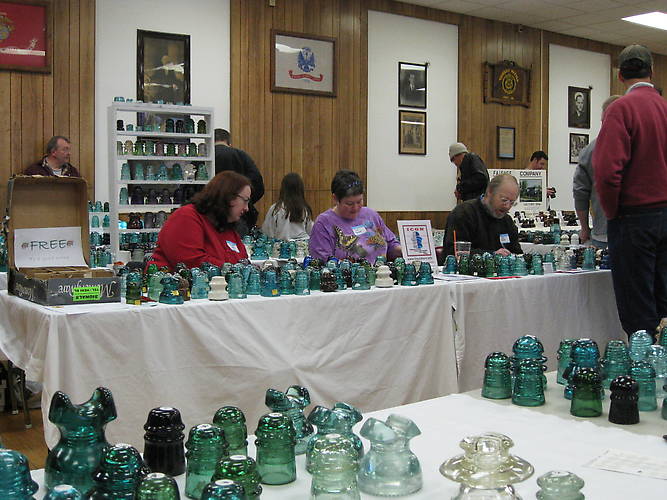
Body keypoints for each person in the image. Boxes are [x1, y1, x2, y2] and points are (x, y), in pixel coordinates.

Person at [593, 44, 667, 338]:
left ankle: (643, 361)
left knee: (637, 306)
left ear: (620, 75)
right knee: (663, 300)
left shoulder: (620, 109)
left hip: (634, 217)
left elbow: (607, 172)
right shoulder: (664, 108)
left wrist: (613, 213)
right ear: (652, 72)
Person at [149, 171, 250, 270]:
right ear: (229, 197)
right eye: (245, 201)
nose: (246, 208)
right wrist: (232, 270)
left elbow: (243, 261)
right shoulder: (187, 217)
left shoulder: (227, 227)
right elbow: (190, 261)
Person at [309, 170, 402, 263]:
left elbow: (391, 245)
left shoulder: (371, 215)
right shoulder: (324, 223)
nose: (355, 208)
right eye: (349, 204)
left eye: (359, 201)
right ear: (335, 198)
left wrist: (405, 251)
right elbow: (322, 261)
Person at [572, 95, 622, 249]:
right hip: (639, 232)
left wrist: (584, 228)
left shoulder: (590, 151)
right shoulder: (641, 146)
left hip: (603, 231)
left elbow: (580, 193)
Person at [444, 174, 523, 256]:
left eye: (512, 202)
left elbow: (517, 253)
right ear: (489, 192)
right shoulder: (463, 213)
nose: (507, 206)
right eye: (504, 200)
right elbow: (453, 251)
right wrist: (491, 255)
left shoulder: (507, 221)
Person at [214, 128, 264, 234]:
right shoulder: (241, 155)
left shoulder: (204, 157)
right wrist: (244, 201)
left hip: (210, 214)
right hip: (239, 218)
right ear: (229, 142)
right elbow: (258, 184)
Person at [261, 172, 313, 240]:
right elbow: (311, 231)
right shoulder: (305, 209)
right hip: (302, 244)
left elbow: (267, 232)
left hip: (282, 245)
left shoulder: (275, 209)